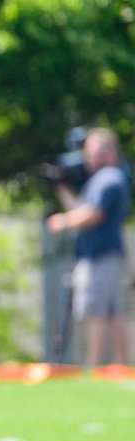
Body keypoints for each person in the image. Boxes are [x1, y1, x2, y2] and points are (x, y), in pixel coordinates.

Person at [45, 127, 130, 367]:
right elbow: (81, 208)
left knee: (95, 310)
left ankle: (95, 366)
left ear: (108, 152)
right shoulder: (100, 181)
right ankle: (119, 366)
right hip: (103, 256)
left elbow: (92, 214)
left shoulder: (110, 178)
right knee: (113, 311)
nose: (87, 157)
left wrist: (62, 221)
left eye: (91, 151)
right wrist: (60, 187)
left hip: (101, 256)